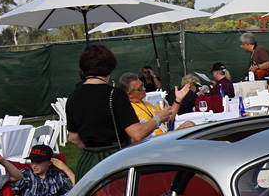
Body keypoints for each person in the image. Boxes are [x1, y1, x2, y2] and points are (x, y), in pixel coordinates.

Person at [66, 44, 189, 180]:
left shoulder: (73, 96)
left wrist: (93, 150)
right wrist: (158, 119)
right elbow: (137, 133)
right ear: (110, 67)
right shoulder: (114, 94)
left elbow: (73, 138)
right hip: (113, 161)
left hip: (87, 163)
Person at [6, 144, 75, 196]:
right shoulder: (26, 174)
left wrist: (65, 168)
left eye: (38, 162)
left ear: (49, 162)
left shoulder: (57, 175)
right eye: (32, 161)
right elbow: (10, 192)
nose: (34, 165)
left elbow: (75, 191)